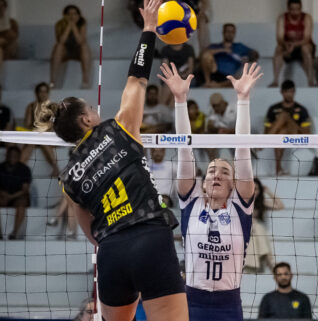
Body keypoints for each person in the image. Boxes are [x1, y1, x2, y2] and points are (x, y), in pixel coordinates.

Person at [35, 1, 189, 320]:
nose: (96, 110)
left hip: (111, 252)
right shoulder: (120, 127)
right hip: (149, 237)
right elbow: (138, 78)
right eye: (91, 108)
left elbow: (90, 231)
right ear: (86, 121)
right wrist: (148, 29)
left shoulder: (69, 177)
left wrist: (114, 237)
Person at [170, 62, 260, 321]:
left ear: (233, 185)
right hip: (191, 302)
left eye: (224, 171)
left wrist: (243, 99)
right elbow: (183, 149)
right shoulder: (191, 200)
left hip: (228, 306)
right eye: (211, 171)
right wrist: (180, 100)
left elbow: (242, 151)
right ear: (202, 181)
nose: (217, 174)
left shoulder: (240, 207)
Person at [264, 80, 312, 175]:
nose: (289, 94)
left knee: (284, 115)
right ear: (282, 92)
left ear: (294, 92)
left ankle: (262, 143)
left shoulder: (301, 110)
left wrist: (289, 120)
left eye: (292, 91)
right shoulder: (273, 109)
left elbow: (306, 134)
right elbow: (266, 130)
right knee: (282, 131)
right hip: (280, 136)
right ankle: (279, 168)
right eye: (287, 92)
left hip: (296, 136)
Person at [270, 0, 315, 87]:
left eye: (297, 9)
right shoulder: (282, 18)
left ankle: (310, 81)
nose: (295, 12)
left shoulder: (307, 18)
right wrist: (286, 45)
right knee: (278, 49)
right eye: (292, 9)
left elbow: (307, 38)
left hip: (302, 46)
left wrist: (294, 45)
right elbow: (279, 38)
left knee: (305, 48)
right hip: (287, 46)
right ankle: (275, 81)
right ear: (288, 9)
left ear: (301, 8)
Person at [200, 23, 259, 88]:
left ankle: (216, 86)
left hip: (232, 76)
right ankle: (208, 82)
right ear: (223, 32)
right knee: (206, 56)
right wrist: (223, 50)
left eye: (232, 32)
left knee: (244, 75)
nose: (230, 34)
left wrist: (248, 58)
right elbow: (204, 54)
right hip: (216, 73)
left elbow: (255, 54)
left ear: (234, 34)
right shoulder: (216, 46)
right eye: (228, 31)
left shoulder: (239, 46)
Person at [244, 178, 284, 273]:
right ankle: (270, 262)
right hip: (241, 232)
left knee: (257, 229)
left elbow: (280, 206)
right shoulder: (239, 201)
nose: (254, 191)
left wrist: (269, 192)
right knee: (256, 227)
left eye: (256, 189)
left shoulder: (261, 203)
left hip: (254, 233)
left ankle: (253, 265)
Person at [20, 82, 59, 177]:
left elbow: (54, 125)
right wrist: (37, 129)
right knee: (31, 143)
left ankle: (56, 168)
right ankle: (20, 168)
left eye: (45, 91)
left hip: (48, 137)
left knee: (42, 140)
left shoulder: (53, 106)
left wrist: (43, 129)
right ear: (37, 93)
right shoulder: (31, 106)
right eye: (41, 91)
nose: (43, 94)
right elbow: (27, 124)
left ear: (48, 93)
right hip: (35, 136)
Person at [50, 4, 91, 89]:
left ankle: (85, 80)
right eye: (69, 14)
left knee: (84, 46)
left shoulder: (82, 23)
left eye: (75, 14)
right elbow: (61, 41)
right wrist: (69, 26)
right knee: (58, 47)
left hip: (78, 52)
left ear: (79, 15)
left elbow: (80, 41)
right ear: (65, 15)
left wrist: (74, 27)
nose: (72, 16)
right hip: (65, 52)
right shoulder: (60, 24)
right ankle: (53, 81)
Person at [0, 146, 31, 240]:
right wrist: (4, 195)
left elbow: (25, 190)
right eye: (11, 155)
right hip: (3, 195)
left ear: (19, 156)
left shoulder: (24, 169)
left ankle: (14, 233)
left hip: (17, 196)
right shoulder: (0, 167)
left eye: (15, 155)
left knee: (22, 204)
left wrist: (11, 197)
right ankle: (0, 234)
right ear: (7, 155)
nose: (13, 157)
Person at [206, 92, 236, 160]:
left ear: (223, 102)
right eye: (213, 106)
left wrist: (228, 131)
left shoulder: (235, 109)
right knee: (208, 142)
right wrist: (218, 130)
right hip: (220, 137)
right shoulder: (213, 111)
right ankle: (213, 165)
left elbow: (244, 129)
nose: (215, 108)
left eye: (217, 105)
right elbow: (209, 126)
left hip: (235, 137)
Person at [0, 0, 18, 70]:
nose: (0, 9)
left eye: (2, 6)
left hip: (7, 51)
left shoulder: (12, 23)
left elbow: (12, 38)